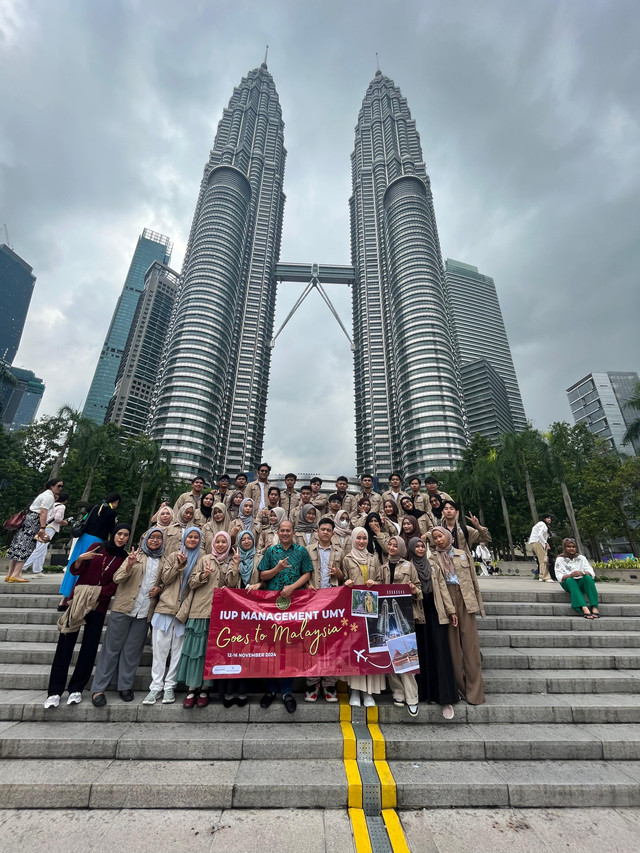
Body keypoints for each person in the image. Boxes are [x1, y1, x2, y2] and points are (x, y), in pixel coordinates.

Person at [44, 524, 131, 708]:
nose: (121, 538)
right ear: (113, 534)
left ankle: (76, 688)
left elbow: (115, 585)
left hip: (99, 604)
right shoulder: (97, 548)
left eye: (125, 535)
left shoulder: (124, 558)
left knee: (89, 646)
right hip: (78, 601)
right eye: (119, 534)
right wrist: (79, 560)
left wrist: (97, 593)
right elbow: (76, 572)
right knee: (65, 643)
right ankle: (54, 691)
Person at [90, 527, 165, 707]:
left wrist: (160, 588)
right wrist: (129, 565)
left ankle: (125, 686)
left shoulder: (163, 561)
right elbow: (117, 578)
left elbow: (164, 582)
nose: (154, 541)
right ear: (145, 539)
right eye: (151, 537)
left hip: (144, 611)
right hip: (124, 608)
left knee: (132, 651)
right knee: (111, 648)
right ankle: (99, 688)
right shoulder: (135, 556)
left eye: (158, 538)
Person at [179, 531, 242, 709]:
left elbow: (232, 584)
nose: (221, 544)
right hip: (199, 611)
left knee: (211, 653)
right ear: (213, 543)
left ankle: (205, 689)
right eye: (218, 541)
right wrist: (203, 575)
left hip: (219, 615)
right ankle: (192, 689)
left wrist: (235, 565)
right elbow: (191, 582)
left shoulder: (230, 561)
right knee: (195, 653)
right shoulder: (204, 559)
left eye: (224, 542)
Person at [142, 526, 204, 705]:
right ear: (184, 538)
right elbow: (165, 579)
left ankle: (170, 685)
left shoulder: (202, 558)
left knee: (177, 651)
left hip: (185, 610)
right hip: (166, 607)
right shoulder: (172, 555)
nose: (192, 540)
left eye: (195, 537)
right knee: (160, 650)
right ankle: (155, 686)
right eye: (189, 537)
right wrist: (179, 564)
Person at [257, 519, 313, 713]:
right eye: (282, 530)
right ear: (278, 532)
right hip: (272, 605)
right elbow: (262, 575)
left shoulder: (301, 551)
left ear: (294, 532)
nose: (285, 533)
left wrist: (292, 587)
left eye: (289, 530)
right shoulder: (271, 552)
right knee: (271, 647)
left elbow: (307, 573)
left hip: (294, 605)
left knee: (290, 646)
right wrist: (277, 569)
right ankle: (271, 689)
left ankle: (287, 691)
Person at [431, 526, 485, 705]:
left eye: (441, 536)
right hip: (448, 598)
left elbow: (473, 580)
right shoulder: (433, 557)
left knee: (471, 647)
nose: (439, 540)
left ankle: (475, 693)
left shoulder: (462, 554)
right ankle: (460, 688)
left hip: (465, 598)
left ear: (448, 537)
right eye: (435, 538)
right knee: (453, 648)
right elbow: (438, 584)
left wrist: (479, 604)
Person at [406, 537, 458, 718]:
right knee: (421, 652)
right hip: (417, 611)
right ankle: (424, 693)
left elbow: (442, 587)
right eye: (417, 546)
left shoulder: (433, 565)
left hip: (435, 610)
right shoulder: (407, 566)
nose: (420, 549)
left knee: (439, 652)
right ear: (411, 549)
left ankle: (444, 696)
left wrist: (451, 610)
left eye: (422, 546)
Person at [342, 527, 384, 707]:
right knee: (356, 648)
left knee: (372, 648)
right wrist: (346, 582)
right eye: (358, 538)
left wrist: (376, 583)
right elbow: (342, 580)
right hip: (354, 610)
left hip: (372, 609)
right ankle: (356, 690)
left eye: (364, 538)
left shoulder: (373, 558)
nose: (361, 541)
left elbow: (382, 580)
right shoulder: (347, 559)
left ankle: (369, 692)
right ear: (353, 539)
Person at [304, 517, 343, 703]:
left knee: (332, 644)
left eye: (329, 530)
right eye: (322, 529)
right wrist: (306, 588)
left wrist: (338, 574)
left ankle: (329, 684)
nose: (325, 532)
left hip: (333, 604)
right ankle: (312, 683)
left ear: (333, 533)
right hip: (312, 602)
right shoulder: (307, 550)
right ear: (317, 532)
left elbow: (346, 577)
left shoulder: (340, 552)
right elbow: (302, 573)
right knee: (311, 643)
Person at [381, 536, 420, 716]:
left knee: (407, 656)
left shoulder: (408, 566)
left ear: (401, 547)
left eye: (395, 545)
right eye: (389, 544)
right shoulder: (382, 567)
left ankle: (412, 696)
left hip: (403, 615)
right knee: (390, 654)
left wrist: (413, 589)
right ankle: (397, 691)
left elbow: (419, 591)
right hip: (386, 617)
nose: (391, 547)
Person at [58, 493, 121, 604]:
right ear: (116, 502)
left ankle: (64, 599)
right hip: (96, 542)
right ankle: (75, 598)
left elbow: (85, 519)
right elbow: (112, 530)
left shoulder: (94, 507)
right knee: (86, 569)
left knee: (74, 565)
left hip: (83, 539)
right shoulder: (111, 513)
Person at [6, 479, 64, 583]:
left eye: (61, 487)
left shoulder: (45, 494)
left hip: (28, 519)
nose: (60, 488)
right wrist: (42, 528)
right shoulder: (48, 496)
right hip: (34, 521)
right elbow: (43, 512)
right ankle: (16, 574)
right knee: (26, 546)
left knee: (18, 545)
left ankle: (10, 574)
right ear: (51, 486)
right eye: (58, 486)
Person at [22, 492, 69, 575]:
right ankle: (22, 567)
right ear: (65, 500)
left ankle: (37, 570)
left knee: (42, 549)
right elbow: (57, 518)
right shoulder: (61, 506)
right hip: (50, 529)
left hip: (42, 526)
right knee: (40, 549)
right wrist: (64, 522)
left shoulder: (51, 504)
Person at [555, 539, 600, 618]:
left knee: (588, 578)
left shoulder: (581, 558)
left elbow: (591, 572)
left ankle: (594, 607)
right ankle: (584, 607)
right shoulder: (560, 559)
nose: (571, 548)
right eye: (569, 547)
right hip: (568, 583)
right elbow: (559, 576)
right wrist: (570, 575)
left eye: (573, 547)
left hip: (581, 582)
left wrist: (582, 573)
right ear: (564, 547)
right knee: (570, 580)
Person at [529, 514, 553, 582]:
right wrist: (545, 543)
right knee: (543, 560)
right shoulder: (542, 524)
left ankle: (541, 576)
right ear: (544, 519)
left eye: (550, 518)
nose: (549, 519)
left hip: (536, 542)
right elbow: (539, 534)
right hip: (537, 542)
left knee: (541, 560)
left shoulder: (541, 524)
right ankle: (546, 577)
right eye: (548, 518)